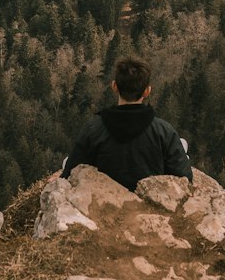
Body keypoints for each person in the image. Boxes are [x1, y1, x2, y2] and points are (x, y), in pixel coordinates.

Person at [62, 56, 192, 192]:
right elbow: (185, 176)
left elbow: (68, 174)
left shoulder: (93, 129)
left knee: (67, 162)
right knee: (180, 144)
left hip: (103, 197)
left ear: (114, 86)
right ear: (147, 91)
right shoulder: (164, 131)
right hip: (149, 197)